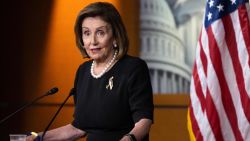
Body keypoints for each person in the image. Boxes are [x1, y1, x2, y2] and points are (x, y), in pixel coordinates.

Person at [27, 2, 153, 141]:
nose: (93, 41)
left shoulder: (133, 68)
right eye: (87, 33)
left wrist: (128, 139)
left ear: (116, 37)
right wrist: (37, 138)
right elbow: (78, 128)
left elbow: (144, 121)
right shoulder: (83, 71)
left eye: (100, 32)